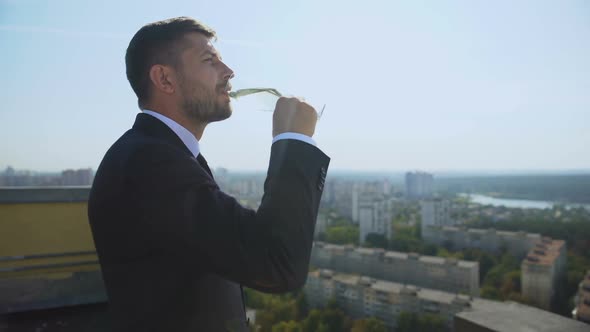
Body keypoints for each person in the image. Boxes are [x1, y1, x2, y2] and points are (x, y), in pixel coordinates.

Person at [87, 17, 330, 332]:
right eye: (209, 60)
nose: (229, 72)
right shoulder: (152, 163)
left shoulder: (156, 154)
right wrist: (293, 142)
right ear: (164, 79)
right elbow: (277, 263)